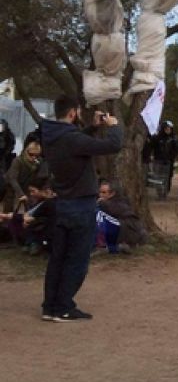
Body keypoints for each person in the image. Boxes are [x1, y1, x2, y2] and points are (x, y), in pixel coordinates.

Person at [39, 94, 122, 322]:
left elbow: (74, 143)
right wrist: (113, 126)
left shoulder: (51, 135)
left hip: (63, 203)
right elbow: (113, 145)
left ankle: (50, 306)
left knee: (58, 258)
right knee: (77, 259)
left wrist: (92, 128)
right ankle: (64, 307)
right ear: (73, 113)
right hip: (81, 204)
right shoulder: (71, 139)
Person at [97, 179, 147, 251]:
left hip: (128, 231)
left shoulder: (121, 202)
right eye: (100, 192)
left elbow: (115, 210)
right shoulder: (106, 203)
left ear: (112, 193)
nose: (101, 195)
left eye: (104, 192)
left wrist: (102, 204)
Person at [4, 140, 45, 215]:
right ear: (26, 151)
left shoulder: (38, 162)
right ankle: (5, 223)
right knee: (9, 204)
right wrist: (21, 194)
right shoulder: (18, 161)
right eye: (31, 154)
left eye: (37, 155)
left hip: (25, 184)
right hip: (10, 184)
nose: (34, 157)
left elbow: (39, 176)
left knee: (27, 205)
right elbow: (12, 179)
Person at [147, 120, 178, 196]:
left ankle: (165, 191)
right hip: (158, 160)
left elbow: (176, 149)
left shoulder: (173, 138)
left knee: (168, 176)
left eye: (170, 129)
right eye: (166, 129)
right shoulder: (157, 138)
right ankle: (160, 192)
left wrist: (172, 157)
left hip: (168, 161)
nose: (168, 131)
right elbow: (151, 146)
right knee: (158, 176)